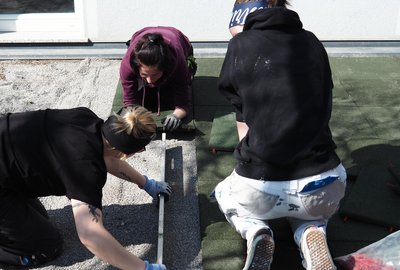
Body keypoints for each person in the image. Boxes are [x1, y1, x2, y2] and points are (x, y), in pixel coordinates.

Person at [0, 106, 171, 270]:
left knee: (37, 218)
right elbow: (91, 236)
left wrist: (146, 183)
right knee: (44, 247)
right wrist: (143, 267)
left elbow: (110, 157)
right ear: (133, 150)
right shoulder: (85, 169)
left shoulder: (86, 119)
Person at [214, 1, 346, 270]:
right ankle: (311, 231)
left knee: (223, 192)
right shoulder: (312, 42)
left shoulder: (240, 46)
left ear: (243, 16)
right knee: (310, 212)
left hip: (260, 186)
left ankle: (256, 231)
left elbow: (240, 109)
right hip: (324, 183)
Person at [120, 26, 197, 131]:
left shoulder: (178, 62)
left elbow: (183, 103)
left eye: (155, 74)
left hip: (178, 38)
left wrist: (176, 115)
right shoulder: (127, 65)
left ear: (165, 68)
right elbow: (129, 101)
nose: (149, 80)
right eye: (144, 74)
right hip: (140, 36)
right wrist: (133, 114)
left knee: (171, 94)